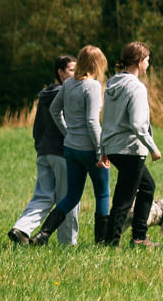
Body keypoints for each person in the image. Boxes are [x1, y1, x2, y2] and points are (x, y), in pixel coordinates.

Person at [33, 45, 108, 246]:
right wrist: (101, 151)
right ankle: (101, 242)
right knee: (102, 192)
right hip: (89, 149)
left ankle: (43, 234)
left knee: (72, 195)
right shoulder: (91, 86)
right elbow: (93, 122)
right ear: (97, 64)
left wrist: (68, 133)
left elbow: (55, 110)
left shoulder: (68, 85)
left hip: (71, 148)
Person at [9, 55, 79, 247]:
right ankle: (67, 243)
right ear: (60, 71)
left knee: (43, 195)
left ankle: (21, 228)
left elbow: (37, 127)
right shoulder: (65, 93)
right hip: (63, 153)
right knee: (70, 197)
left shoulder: (44, 95)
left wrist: (40, 146)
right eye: (72, 70)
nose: (77, 74)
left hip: (44, 152)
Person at [102, 42, 163, 248]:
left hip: (114, 147)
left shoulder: (112, 84)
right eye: (147, 60)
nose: (148, 64)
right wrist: (153, 147)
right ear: (138, 61)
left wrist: (104, 150)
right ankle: (112, 242)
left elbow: (107, 120)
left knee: (147, 187)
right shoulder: (136, 87)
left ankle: (139, 236)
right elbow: (138, 124)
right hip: (131, 148)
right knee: (124, 198)